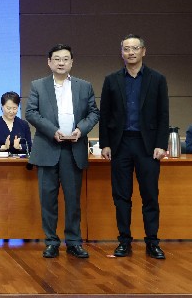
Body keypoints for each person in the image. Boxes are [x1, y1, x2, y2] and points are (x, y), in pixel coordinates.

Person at [25, 44, 99, 259]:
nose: (61, 63)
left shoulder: (84, 86)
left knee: (73, 200)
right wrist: (52, 131)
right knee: (48, 200)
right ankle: (51, 242)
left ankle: (74, 242)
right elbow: (31, 112)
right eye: (56, 59)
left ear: (71, 62)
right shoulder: (38, 85)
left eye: (65, 59)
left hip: (73, 150)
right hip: (48, 148)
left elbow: (94, 113)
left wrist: (80, 130)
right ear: (49, 62)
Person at [99, 34, 169, 260]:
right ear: (121, 53)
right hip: (120, 144)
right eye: (126, 49)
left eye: (135, 48)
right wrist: (105, 143)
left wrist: (161, 144)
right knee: (121, 196)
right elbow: (105, 114)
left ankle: (152, 242)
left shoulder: (157, 79)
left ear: (143, 51)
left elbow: (163, 114)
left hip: (147, 146)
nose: (131, 52)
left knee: (150, 195)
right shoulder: (111, 80)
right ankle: (124, 241)